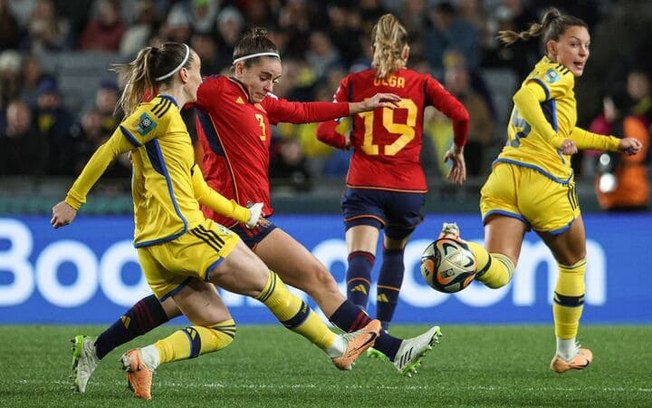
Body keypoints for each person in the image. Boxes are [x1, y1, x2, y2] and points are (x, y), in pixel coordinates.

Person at [69, 28, 440, 395]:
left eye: (275, 79)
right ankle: (384, 349)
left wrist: (357, 107)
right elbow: (169, 94)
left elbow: (301, 111)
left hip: (236, 216)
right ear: (240, 68)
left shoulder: (260, 103)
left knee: (175, 306)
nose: (269, 86)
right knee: (314, 278)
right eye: (263, 77)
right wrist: (145, 107)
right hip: (233, 219)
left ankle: (97, 348)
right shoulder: (214, 91)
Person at [440, 8, 642, 374]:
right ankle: (565, 352)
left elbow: (570, 133)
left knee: (499, 270)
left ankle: (461, 251)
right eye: (574, 44)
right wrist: (553, 140)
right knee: (574, 261)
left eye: (587, 45)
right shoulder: (556, 74)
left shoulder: (547, 79)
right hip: (544, 182)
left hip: (503, 177)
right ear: (552, 48)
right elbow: (523, 99)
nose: (582, 52)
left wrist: (613, 143)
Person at [315, 13, 469, 332]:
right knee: (394, 251)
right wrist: (457, 149)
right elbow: (461, 114)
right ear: (407, 52)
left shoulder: (354, 83)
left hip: (365, 182)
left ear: (374, 49)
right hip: (408, 189)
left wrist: (346, 142)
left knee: (361, 256)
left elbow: (322, 132)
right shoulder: (422, 83)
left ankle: (358, 327)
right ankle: (382, 327)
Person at [591, 90, 649, 211]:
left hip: (619, 192)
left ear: (616, 106)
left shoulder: (618, 127)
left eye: (608, 105)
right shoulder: (638, 125)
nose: (606, 109)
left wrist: (605, 174)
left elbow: (611, 159)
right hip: (639, 188)